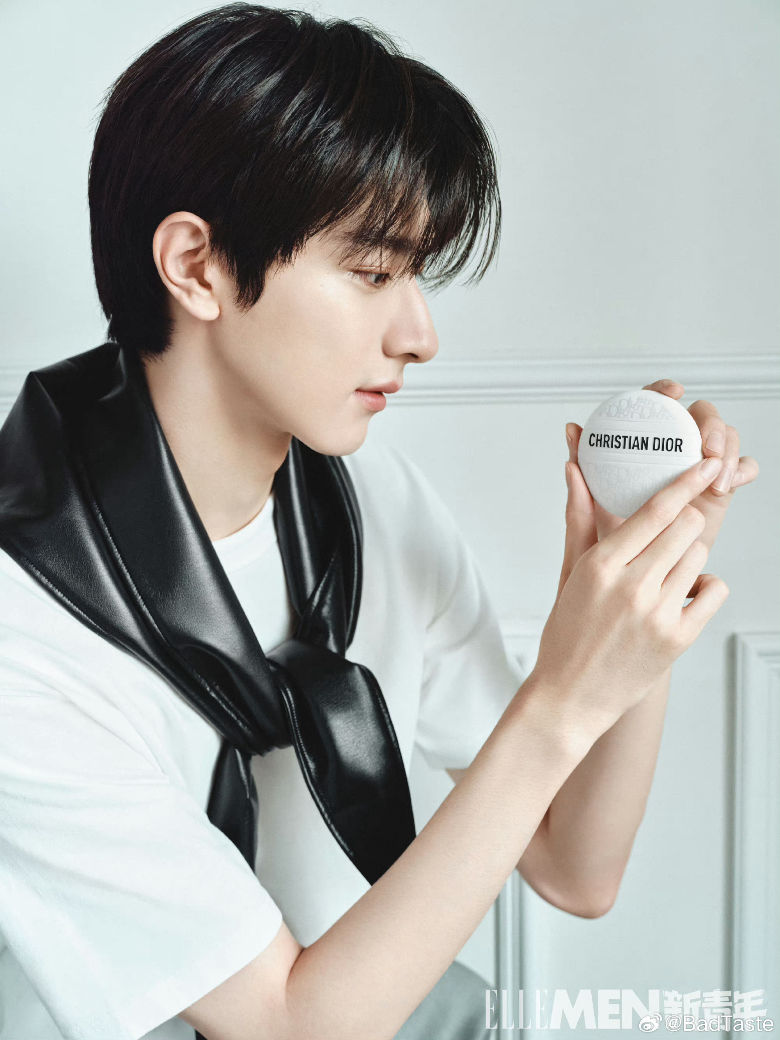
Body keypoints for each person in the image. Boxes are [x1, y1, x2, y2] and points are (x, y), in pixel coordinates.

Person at [0, 5, 759, 1040]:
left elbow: (577, 867)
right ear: (196, 265)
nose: (421, 334)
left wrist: (643, 567)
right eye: (371, 272)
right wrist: (559, 695)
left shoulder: (369, 505)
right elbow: (283, 1026)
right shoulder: (23, 621)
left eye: (417, 275)